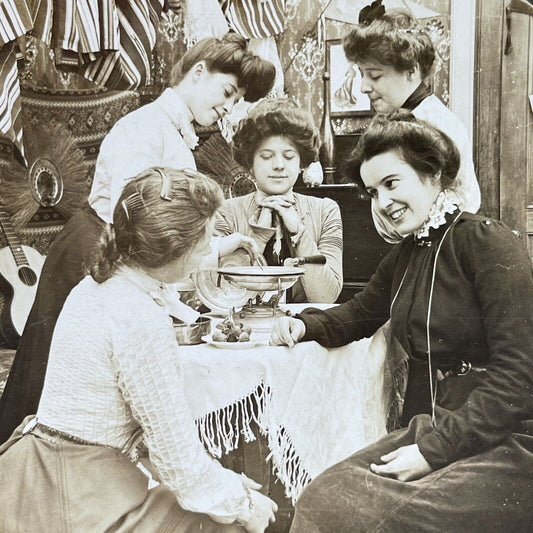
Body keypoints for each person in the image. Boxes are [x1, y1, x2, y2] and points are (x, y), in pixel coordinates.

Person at [0, 32, 276, 444]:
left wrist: (221, 245)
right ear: (198, 72)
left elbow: (163, 229)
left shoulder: (174, 130)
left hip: (113, 252)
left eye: (235, 100)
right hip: (91, 255)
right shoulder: (145, 128)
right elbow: (137, 226)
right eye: (227, 91)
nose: (228, 106)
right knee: (49, 384)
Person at [271, 112, 533, 532]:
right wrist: (305, 326)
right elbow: (361, 313)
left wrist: (433, 451)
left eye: (392, 184)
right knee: (323, 494)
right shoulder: (410, 253)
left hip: (509, 438)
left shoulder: (485, 241)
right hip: (440, 424)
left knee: (353, 514)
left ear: (432, 174)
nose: (383, 203)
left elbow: (520, 374)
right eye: (373, 192)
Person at [0, 167, 278, 532]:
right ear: (176, 247)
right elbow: (179, 463)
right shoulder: (140, 317)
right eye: (206, 239)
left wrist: (221, 484)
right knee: (232, 524)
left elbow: (172, 265)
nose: (210, 248)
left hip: (32, 475)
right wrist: (243, 503)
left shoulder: (97, 284)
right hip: (78, 501)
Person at [342, 4, 481, 243]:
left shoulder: (434, 123)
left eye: (374, 75)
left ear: (411, 71)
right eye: (362, 74)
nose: (364, 86)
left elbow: (462, 206)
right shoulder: (398, 121)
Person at [214, 98, 343, 303]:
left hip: (300, 330)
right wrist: (259, 236)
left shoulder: (325, 210)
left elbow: (325, 297)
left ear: (302, 162)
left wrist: (299, 232)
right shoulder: (225, 212)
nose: (279, 165)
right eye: (266, 156)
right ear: (250, 163)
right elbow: (224, 294)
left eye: (289, 156)